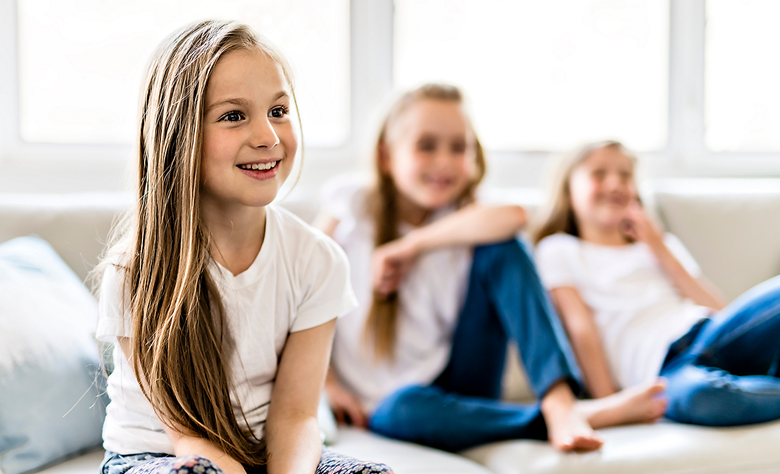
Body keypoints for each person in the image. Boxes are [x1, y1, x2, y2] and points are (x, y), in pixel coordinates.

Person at [94, 21, 392, 474]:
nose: (268, 137)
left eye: (278, 110)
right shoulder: (135, 268)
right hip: (160, 457)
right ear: (179, 136)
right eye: (234, 116)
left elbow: (296, 416)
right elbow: (184, 433)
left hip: (264, 454)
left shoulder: (318, 260)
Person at [316, 85, 666, 454]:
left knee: (505, 245)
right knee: (404, 411)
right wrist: (327, 383)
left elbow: (515, 217)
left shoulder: (469, 217)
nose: (445, 161)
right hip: (389, 404)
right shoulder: (350, 206)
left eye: (458, 147)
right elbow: (303, 298)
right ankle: (571, 416)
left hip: (463, 379)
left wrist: (412, 245)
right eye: (427, 145)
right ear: (387, 157)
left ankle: (559, 400)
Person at [533, 140, 780, 427]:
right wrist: (611, 402)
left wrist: (658, 247)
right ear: (567, 190)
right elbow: (580, 328)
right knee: (704, 399)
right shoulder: (559, 249)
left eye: (625, 176)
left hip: (709, 334)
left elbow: (720, 310)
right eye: (599, 174)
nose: (614, 184)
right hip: (664, 373)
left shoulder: (658, 244)